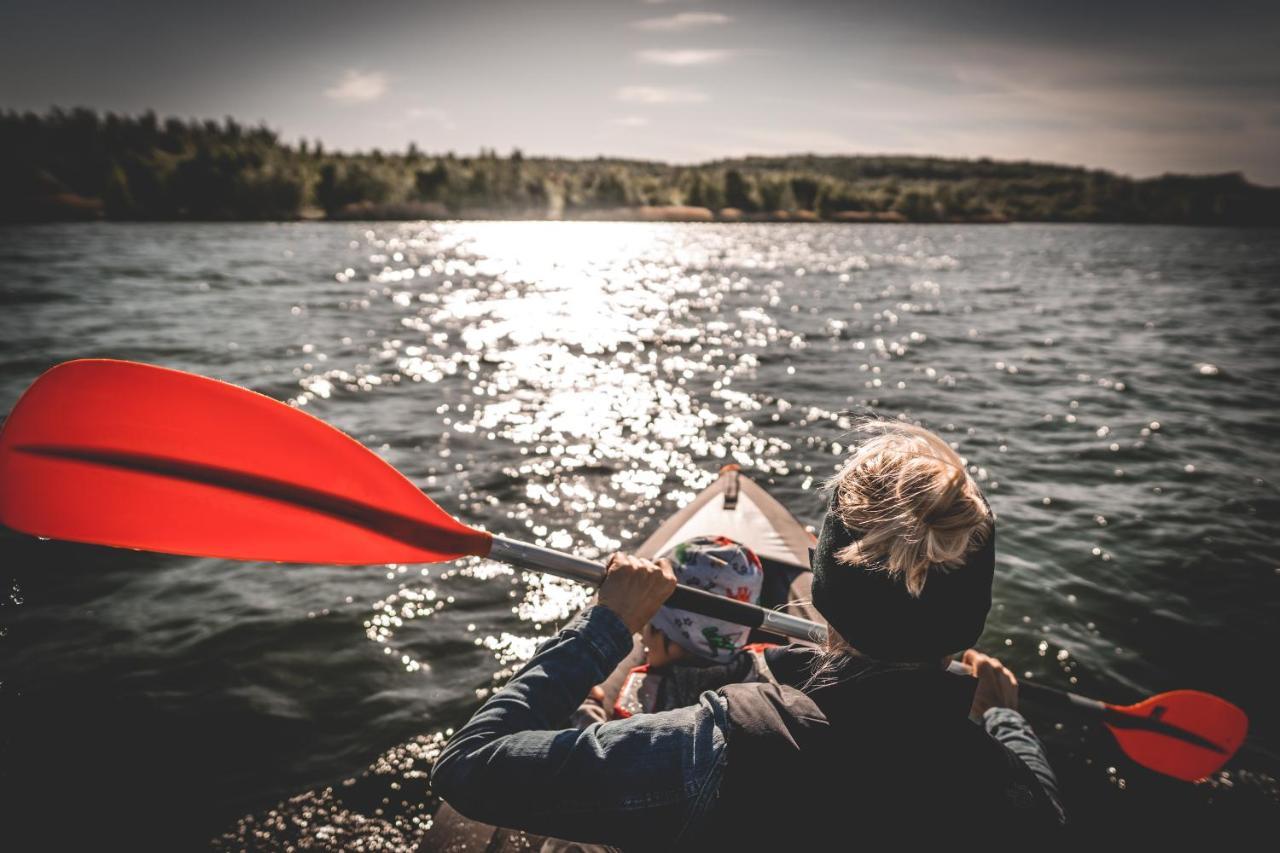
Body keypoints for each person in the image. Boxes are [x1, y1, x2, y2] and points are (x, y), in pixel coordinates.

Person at [431, 422, 1066, 848]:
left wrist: (606, 628)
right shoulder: (1020, 797)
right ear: (970, 618)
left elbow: (468, 767)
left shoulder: (724, 744)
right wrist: (1005, 721)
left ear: (821, 593)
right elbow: (1041, 800)